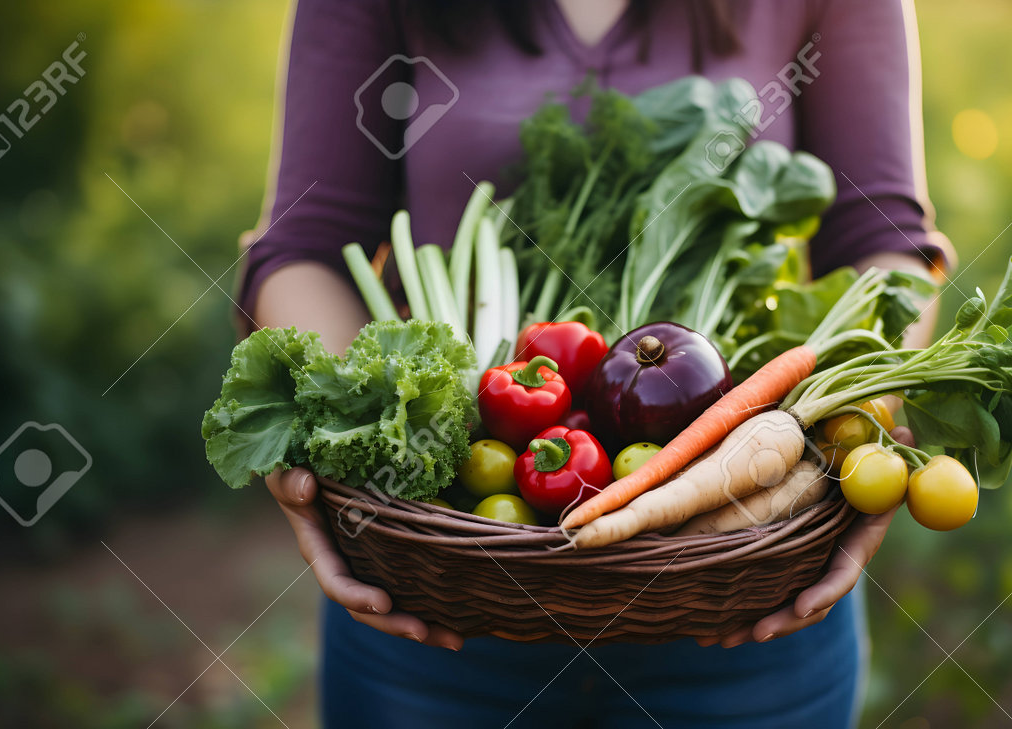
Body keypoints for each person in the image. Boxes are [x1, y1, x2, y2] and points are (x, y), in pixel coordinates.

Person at [238, 1, 953, 726]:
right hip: (434, 599)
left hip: (747, 606)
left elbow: (885, 240)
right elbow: (308, 241)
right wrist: (344, 432)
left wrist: (855, 439)